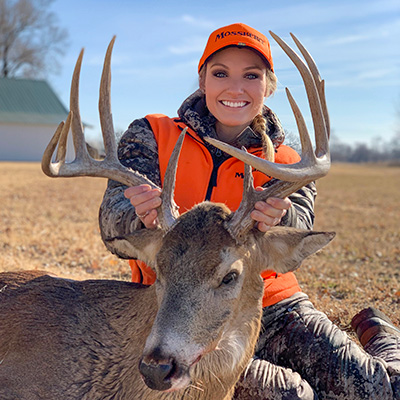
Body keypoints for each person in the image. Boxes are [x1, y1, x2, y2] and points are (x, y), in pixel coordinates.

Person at [99, 23, 400, 399]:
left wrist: (279, 217)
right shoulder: (152, 135)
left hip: (275, 310)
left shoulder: (290, 162)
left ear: (268, 86)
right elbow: (113, 224)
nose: (235, 87)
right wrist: (136, 214)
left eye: (251, 76)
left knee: (379, 389)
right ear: (202, 80)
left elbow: (299, 223)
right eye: (220, 73)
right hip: (177, 310)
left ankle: (382, 339)